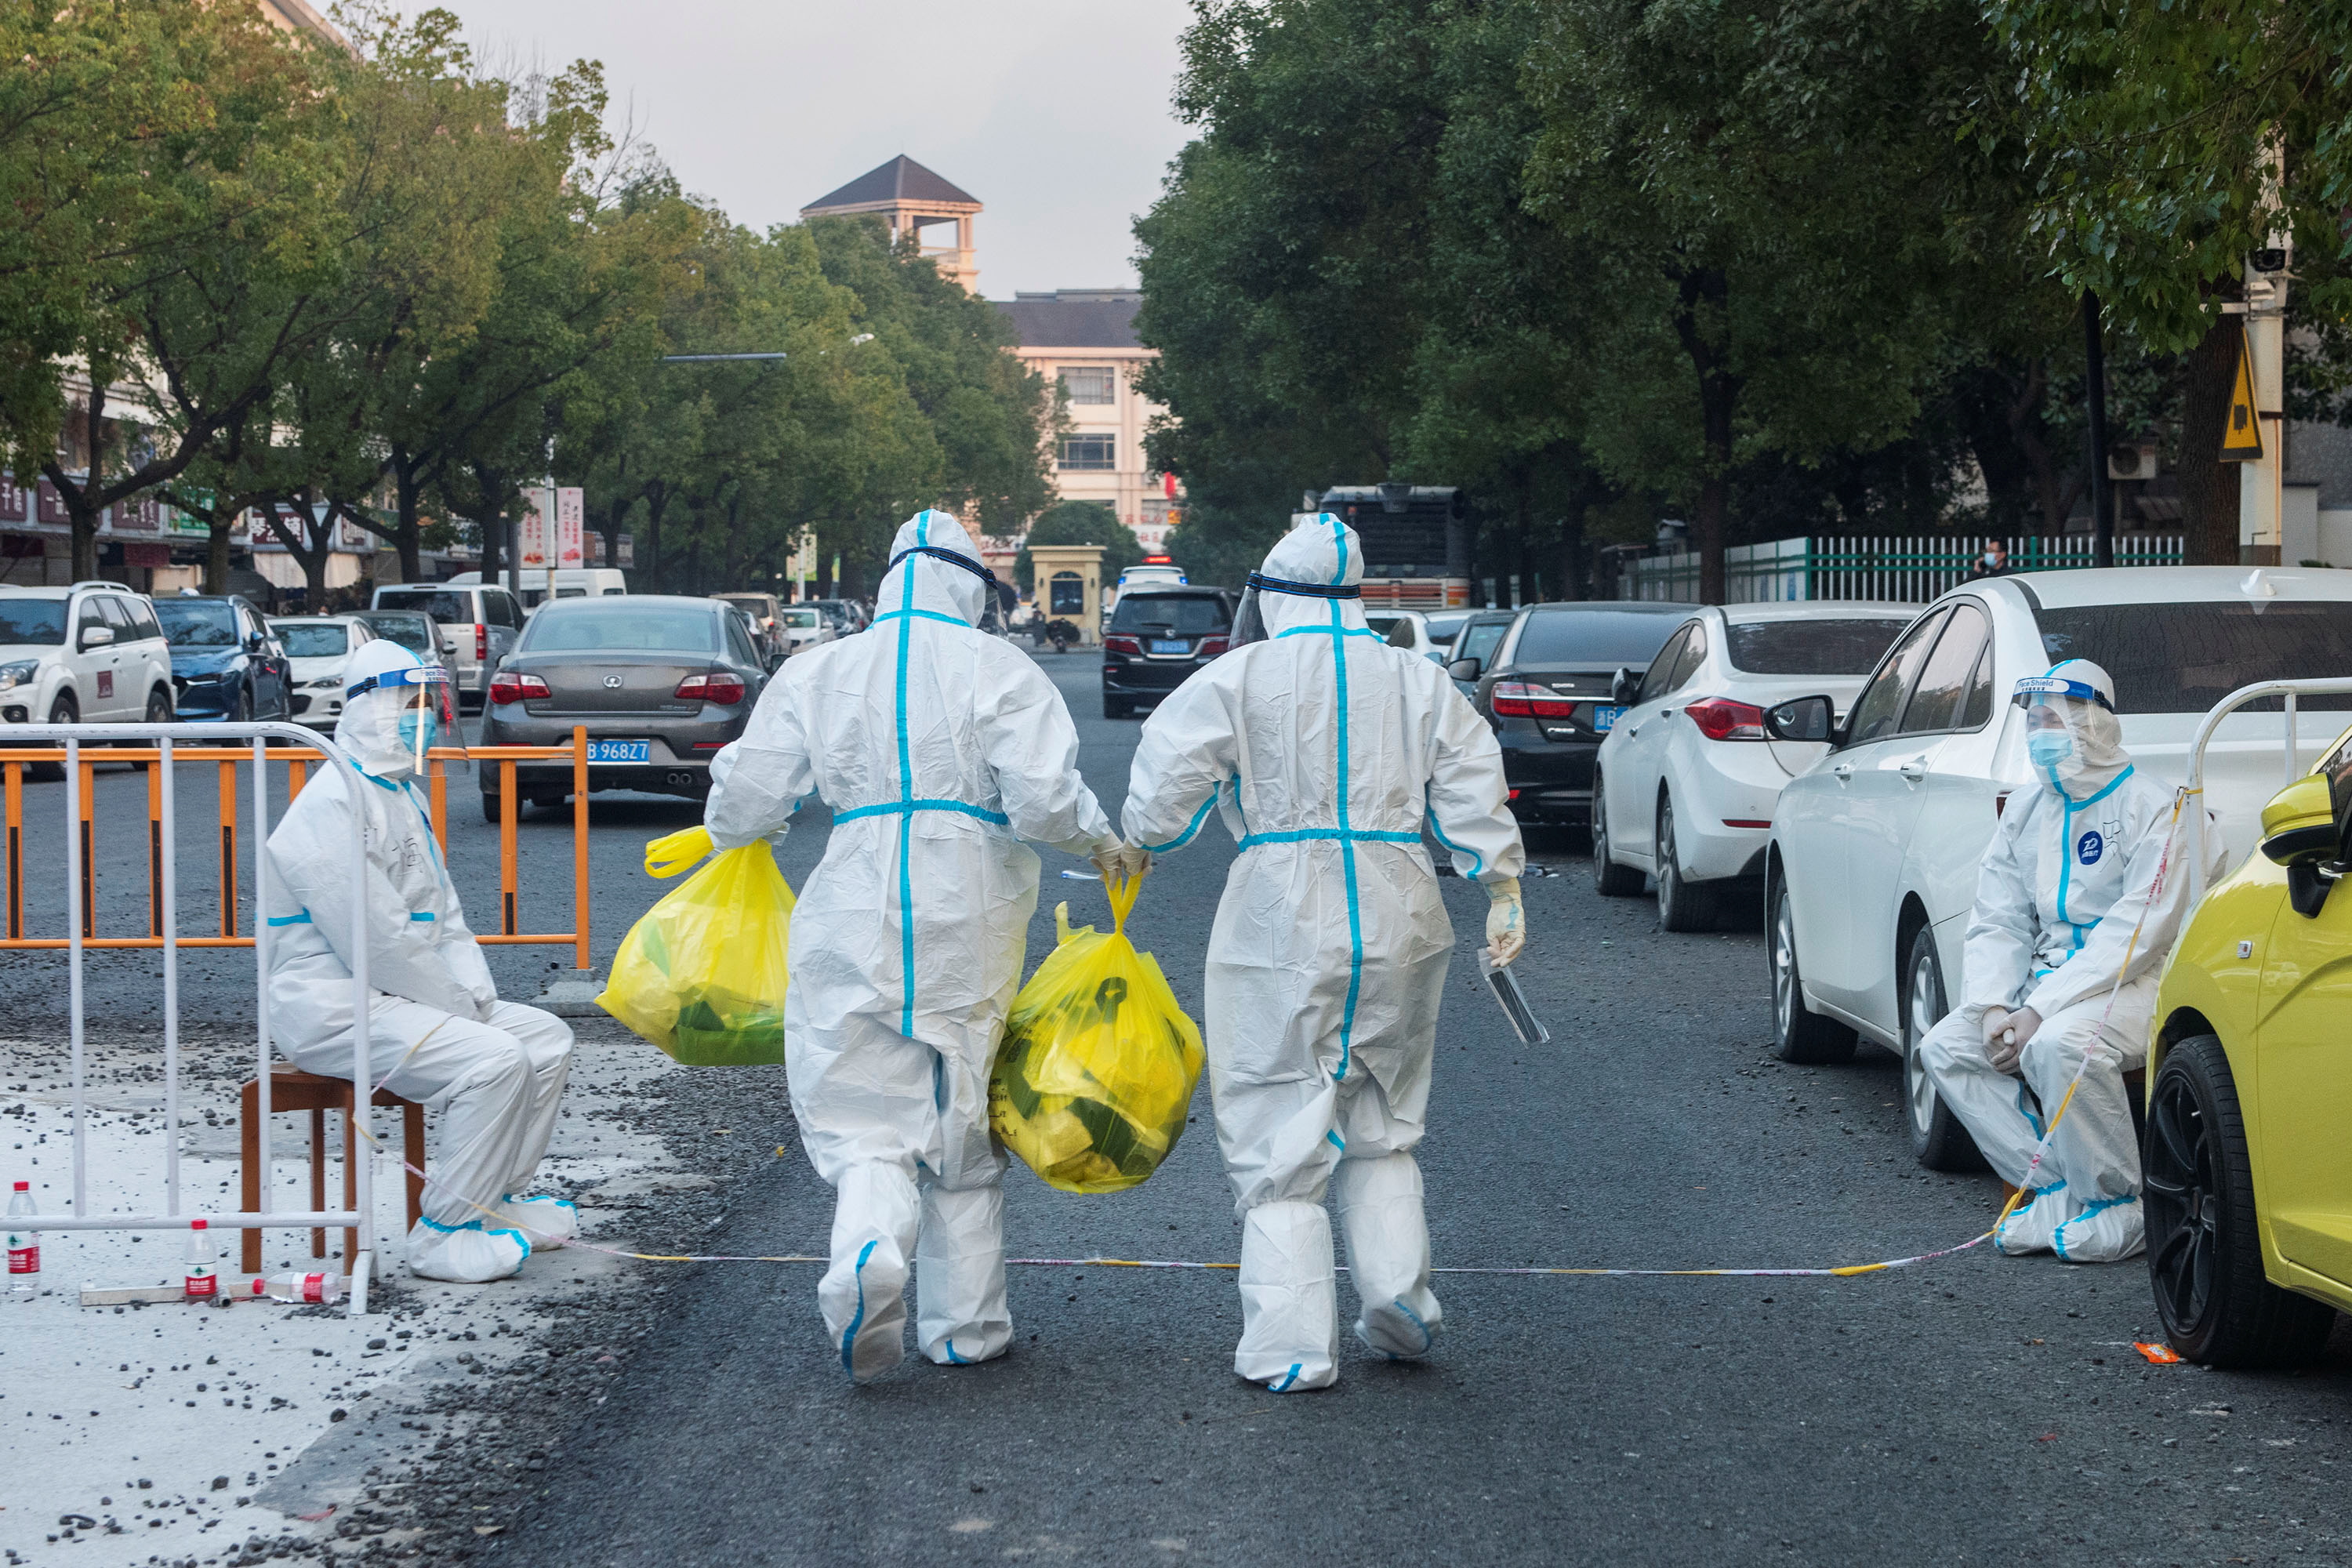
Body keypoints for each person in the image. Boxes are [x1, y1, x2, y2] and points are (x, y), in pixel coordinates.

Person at [704, 510, 1141, 1381]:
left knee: (862, 1108)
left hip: (853, 894)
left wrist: (736, 827)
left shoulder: (817, 666)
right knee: (965, 1111)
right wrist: (1103, 842)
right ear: (971, 585)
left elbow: (745, 798)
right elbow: (1045, 800)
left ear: (892, 576)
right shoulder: (1000, 667)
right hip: (969, 899)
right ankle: (967, 1325)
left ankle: (868, 1246)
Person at [1121, 514, 1525, 1392]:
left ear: (1272, 597)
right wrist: (1501, 885)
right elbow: (1474, 782)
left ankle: (1291, 1345)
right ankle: (1399, 1296)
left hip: (1277, 908)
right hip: (1401, 896)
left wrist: (1150, 830)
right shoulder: (1418, 680)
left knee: (1277, 1124)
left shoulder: (1236, 677)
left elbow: (1158, 804)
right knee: (1384, 1112)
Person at [263, 641, 578, 1283]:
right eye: (408, 705)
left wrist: (474, 997)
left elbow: (443, 919)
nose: (424, 719)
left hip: (401, 997)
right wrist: (461, 1010)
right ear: (367, 707)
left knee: (546, 1037)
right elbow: (378, 941)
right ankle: (444, 1231)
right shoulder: (331, 804)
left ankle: (498, 1202)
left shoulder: (401, 795)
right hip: (334, 1006)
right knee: (494, 1060)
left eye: (426, 706)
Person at [1914, 659, 2224, 1263]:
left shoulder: (2157, 808)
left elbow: (2138, 932)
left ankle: (2119, 1206)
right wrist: (1993, 1007)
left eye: (2052, 719)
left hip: (2141, 982)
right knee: (1947, 1048)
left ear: (2094, 724)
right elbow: (1998, 918)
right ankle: (2054, 1185)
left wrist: (2036, 1010)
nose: (2038, 733)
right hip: (2043, 989)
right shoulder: (2030, 811)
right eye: (2032, 722)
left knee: (2058, 1045)